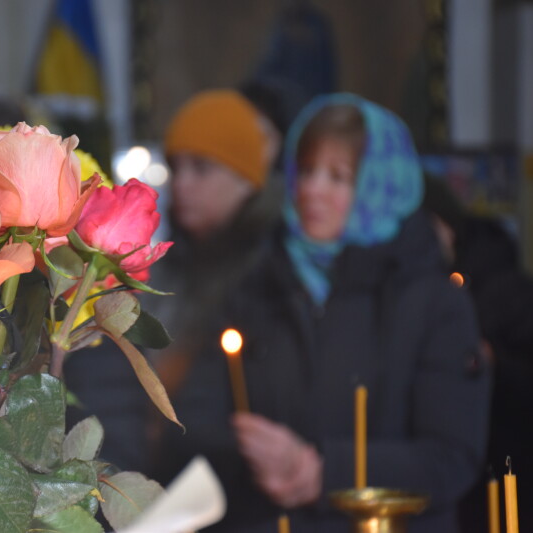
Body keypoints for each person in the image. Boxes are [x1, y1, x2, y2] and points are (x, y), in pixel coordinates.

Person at [151, 93, 490, 532]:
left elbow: (451, 456)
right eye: (307, 171)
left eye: (338, 177)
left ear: (380, 184)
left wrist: (325, 471)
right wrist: (249, 451)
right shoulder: (261, 286)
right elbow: (198, 414)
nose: (313, 189)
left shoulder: (433, 302)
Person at [64, 89, 275, 472]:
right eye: (177, 168)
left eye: (201, 168)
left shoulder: (270, 278)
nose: (182, 183)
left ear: (245, 179)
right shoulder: (165, 266)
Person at [422, 177, 533, 533]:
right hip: (447, 480)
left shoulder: (511, 291)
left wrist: (494, 362)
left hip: (508, 474)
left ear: (446, 226)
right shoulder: (419, 290)